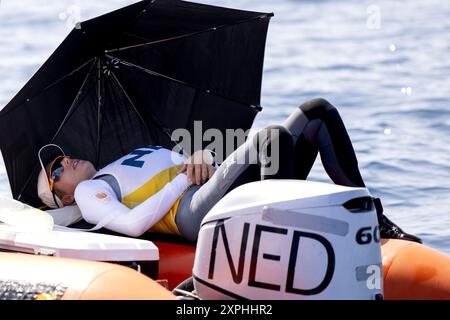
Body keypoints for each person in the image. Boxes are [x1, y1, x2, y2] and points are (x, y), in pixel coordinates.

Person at [37, 98, 422, 243]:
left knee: (315, 114)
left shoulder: (127, 156)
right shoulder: (90, 194)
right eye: (55, 173)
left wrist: (202, 159)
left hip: (206, 194)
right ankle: (283, 237)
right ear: (64, 196)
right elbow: (135, 224)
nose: (64, 162)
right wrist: (188, 177)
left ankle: (375, 216)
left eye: (61, 158)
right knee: (273, 137)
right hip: (187, 216)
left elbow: (204, 171)